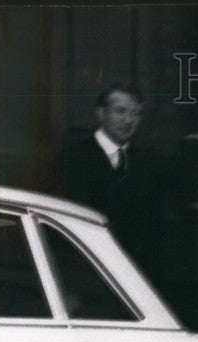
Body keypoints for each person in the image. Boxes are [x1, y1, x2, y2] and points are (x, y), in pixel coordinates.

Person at [61, 83, 162, 275]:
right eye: (120, 111)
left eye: (136, 113)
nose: (129, 120)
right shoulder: (72, 158)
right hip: (84, 274)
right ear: (100, 113)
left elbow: (153, 231)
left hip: (133, 279)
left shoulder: (147, 165)